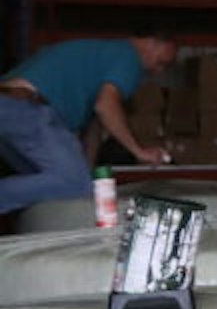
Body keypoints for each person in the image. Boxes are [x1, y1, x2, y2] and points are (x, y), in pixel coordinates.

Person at [0, 31, 177, 213]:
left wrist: (88, 175)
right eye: (161, 62)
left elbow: (95, 127)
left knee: (52, 188)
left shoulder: (102, 57)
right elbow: (105, 106)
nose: (158, 71)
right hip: (27, 108)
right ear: (151, 43)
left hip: (9, 107)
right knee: (74, 183)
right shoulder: (129, 58)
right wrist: (138, 151)